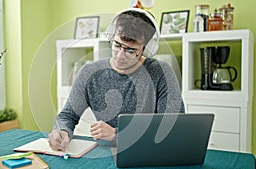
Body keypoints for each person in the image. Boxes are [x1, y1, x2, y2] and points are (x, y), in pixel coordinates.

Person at [48, 8, 185, 151]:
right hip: (106, 155)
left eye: (131, 51)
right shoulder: (89, 73)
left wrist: (116, 134)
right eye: (117, 45)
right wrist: (62, 131)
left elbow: (173, 128)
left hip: (150, 152)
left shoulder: (161, 73)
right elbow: (67, 116)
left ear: (145, 49)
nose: (120, 55)